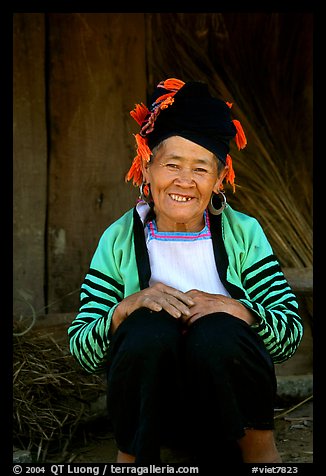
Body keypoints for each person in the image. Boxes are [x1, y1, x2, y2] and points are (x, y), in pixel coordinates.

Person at [67, 78, 304, 465]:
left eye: (200, 169)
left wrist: (237, 309)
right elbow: (82, 350)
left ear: (218, 179)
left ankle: (261, 455)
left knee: (219, 330)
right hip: (152, 419)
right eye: (172, 164)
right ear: (146, 169)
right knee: (147, 328)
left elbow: (289, 335)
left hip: (231, 415)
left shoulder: (244, 234)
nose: (184, 181)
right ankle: (130, 458)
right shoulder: (119, 239)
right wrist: (127, 307)